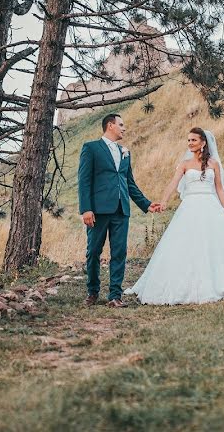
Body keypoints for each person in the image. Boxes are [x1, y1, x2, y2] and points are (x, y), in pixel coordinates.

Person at [125, 127, 224, 304]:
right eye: (188, 140)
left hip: (210, 205)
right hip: (190, 207)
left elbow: (219, 188)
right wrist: (163, 201)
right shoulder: (184, 165)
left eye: (193, 140)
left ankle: (217, 281)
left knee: (213, 244)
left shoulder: (214, 164)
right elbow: (173, 184)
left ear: (203, 143)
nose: (190, 143)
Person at [78, 113, 160, 308]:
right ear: (110, 126)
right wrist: (86, 209)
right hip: (98, 210)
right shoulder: (91, 148)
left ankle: (115, 295)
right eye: (121, 125)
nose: (124, 128)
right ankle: (93, 291)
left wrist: (146, 204)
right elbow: (84, 181)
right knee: (93, 252)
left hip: (121, 209)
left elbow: (129, 183)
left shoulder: (125, 152)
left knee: (119, 252)